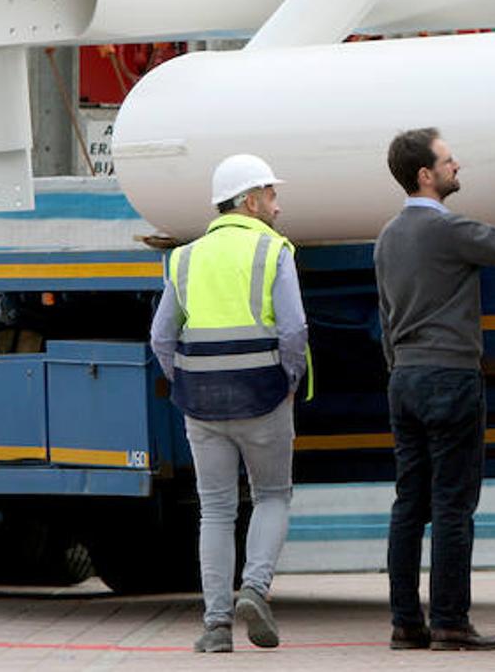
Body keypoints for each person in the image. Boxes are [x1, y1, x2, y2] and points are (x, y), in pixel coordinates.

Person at [375, 128, 495, 652]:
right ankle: (450, 621)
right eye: (449, 161)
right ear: (425, 175)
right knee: (452, 505)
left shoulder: (386, 237)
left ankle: (407, 623)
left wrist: (401, 370)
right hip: (450, 377)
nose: (458, 166)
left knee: (409, 503)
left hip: (403, 379)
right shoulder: (446, 230)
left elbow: (385, 320)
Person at [149, 154, 309, 653]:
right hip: (263, 395)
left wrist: (186, 381)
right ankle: (255, 589)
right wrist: (289, 379)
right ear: (250, 200)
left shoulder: (184, 257)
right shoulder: (274, 249)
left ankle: (216, 626)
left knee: (215, 511)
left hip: (202, 403)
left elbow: (160, 337)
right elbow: (294, 329)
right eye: (272, 195)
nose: (278, 207)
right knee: (272, 496)